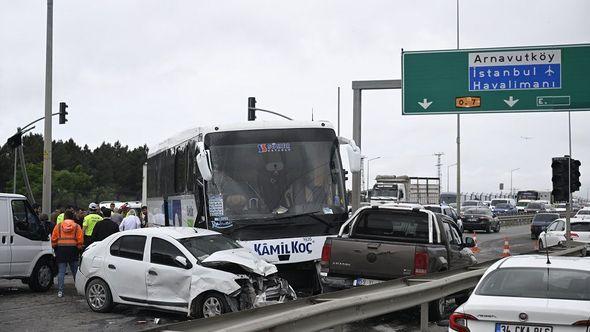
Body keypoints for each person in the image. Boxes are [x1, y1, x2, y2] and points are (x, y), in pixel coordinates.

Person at [51, 209, 83, 298]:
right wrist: (79, 248)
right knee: (75, 271)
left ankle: (60, 291)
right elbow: (80, 240)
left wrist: (55, 247)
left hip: (61, 250)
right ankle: (78, 290)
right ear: (72, 217)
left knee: (61, 271)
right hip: (73, 250)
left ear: (64, 216)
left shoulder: (58, 226)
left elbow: (53, 239)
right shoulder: (77, 226)